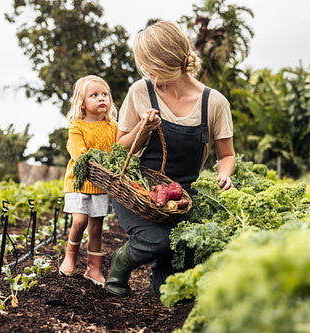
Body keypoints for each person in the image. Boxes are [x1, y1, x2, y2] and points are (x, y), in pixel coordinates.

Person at [104, 20, 235, 297]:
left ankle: (162, 267)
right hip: (137, 190)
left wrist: (224, 174)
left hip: (182, 199)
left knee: (171, 290)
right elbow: (120, 147)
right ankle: (121, 261)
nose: (146, 71)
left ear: (165, 62)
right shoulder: (140, 92)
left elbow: (227, 155)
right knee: (157, 240)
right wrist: (142, 128)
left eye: (149, 64)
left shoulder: (214, 103)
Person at [59, 75, 119, 287]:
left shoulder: (113, 127)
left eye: (105, 94)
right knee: (80, 221)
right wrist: (103, 164)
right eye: (94, 95)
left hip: (102, 185)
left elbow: (119, 149)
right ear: (82, 103)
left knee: (96, 228)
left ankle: (93, 269)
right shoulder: (77, 126)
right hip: (79, 182)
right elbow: (79, 155)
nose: (101, 98)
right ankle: (71, 255)